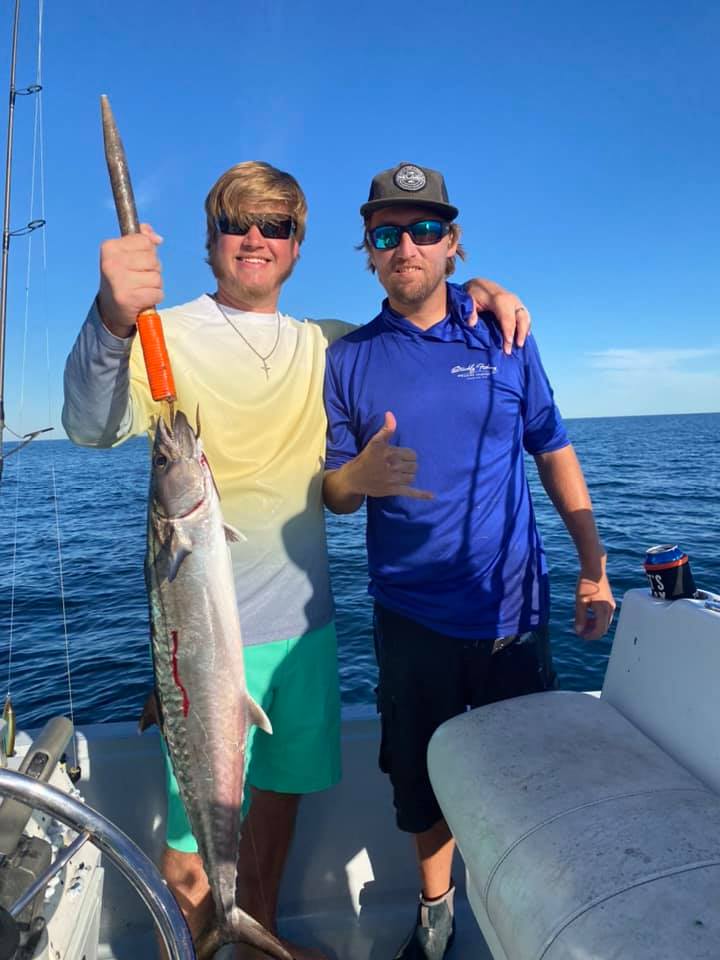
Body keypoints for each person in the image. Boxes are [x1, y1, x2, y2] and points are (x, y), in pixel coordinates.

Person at [62, 161, 531, 959]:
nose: (255, 238)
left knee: (278, 803)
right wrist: (111, 315)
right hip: (199, 641)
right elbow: (86, 422)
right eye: (236, 224)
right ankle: (200, 947)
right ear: (211, 243)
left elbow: (412, 319)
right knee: (191, 839)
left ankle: (258, 939)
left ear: (298, 245)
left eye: (274, 226)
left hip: (305, 627)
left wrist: (480, 289)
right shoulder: (161, 333)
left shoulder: (329, 345)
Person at [322, 162, 616, 960]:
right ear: (370, 254)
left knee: (528, 779)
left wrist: (594, 564)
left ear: (452, 245)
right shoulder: (349, 360)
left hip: (512, 613)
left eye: (423, 230)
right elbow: (335, 492)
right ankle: (437, 916)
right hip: (410, 617)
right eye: (386, 234)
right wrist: (355, 479)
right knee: (420, 789)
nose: (404, 246)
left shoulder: (506, 333)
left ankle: (537, 920)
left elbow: (552, 448)